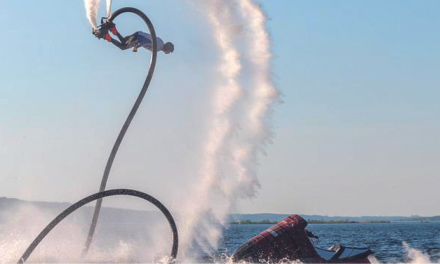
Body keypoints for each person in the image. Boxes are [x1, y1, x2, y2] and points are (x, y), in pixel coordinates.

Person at [93, 21, 174, 54]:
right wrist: (137, 46)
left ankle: (113, 29)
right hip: (139, 38)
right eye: (169, 51)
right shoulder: (159, 47)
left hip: (138, 35)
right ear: (167, 48)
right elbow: (147, 42)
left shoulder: (160, 43)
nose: (168, 53)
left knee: (124, 41)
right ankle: (107, 36)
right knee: (123, 47)